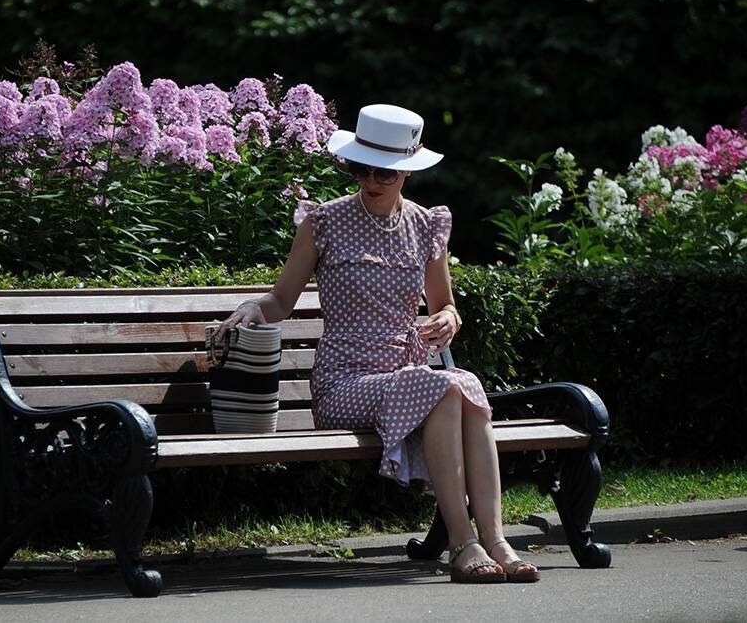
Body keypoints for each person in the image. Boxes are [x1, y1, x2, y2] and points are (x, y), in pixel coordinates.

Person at [212, 104, 538, 584]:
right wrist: (250, 310)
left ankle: (495, 540)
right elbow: (281, 300)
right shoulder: (323, 221)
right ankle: (462, 543)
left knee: (461, 383)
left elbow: (445, 305)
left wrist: (447, 320)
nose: (370, 179)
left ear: (407, 167)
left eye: (383, 170)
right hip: (344, 383)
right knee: (443, 388)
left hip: (408, 377)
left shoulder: (428, 225)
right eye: (360, 167)